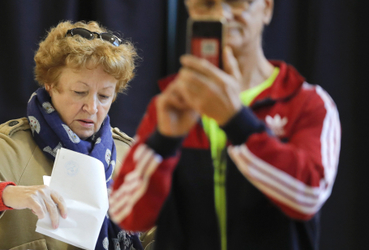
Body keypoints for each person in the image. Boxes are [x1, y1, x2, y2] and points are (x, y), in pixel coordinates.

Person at [109, 0, 341, 249]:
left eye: (236, 2)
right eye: (205, 5)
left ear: (267, 8)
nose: (221, 14)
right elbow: (126, 214)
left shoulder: (305, 102)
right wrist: (164, 141)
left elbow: (309, 196)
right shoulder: (173, 106)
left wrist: (236, 121)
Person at [0, 20, 146, 250]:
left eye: (104, 96)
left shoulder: (129, 155)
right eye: (80, 92)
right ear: (50, 85)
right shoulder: (14, 146)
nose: (92, 108)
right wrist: (8, 194)